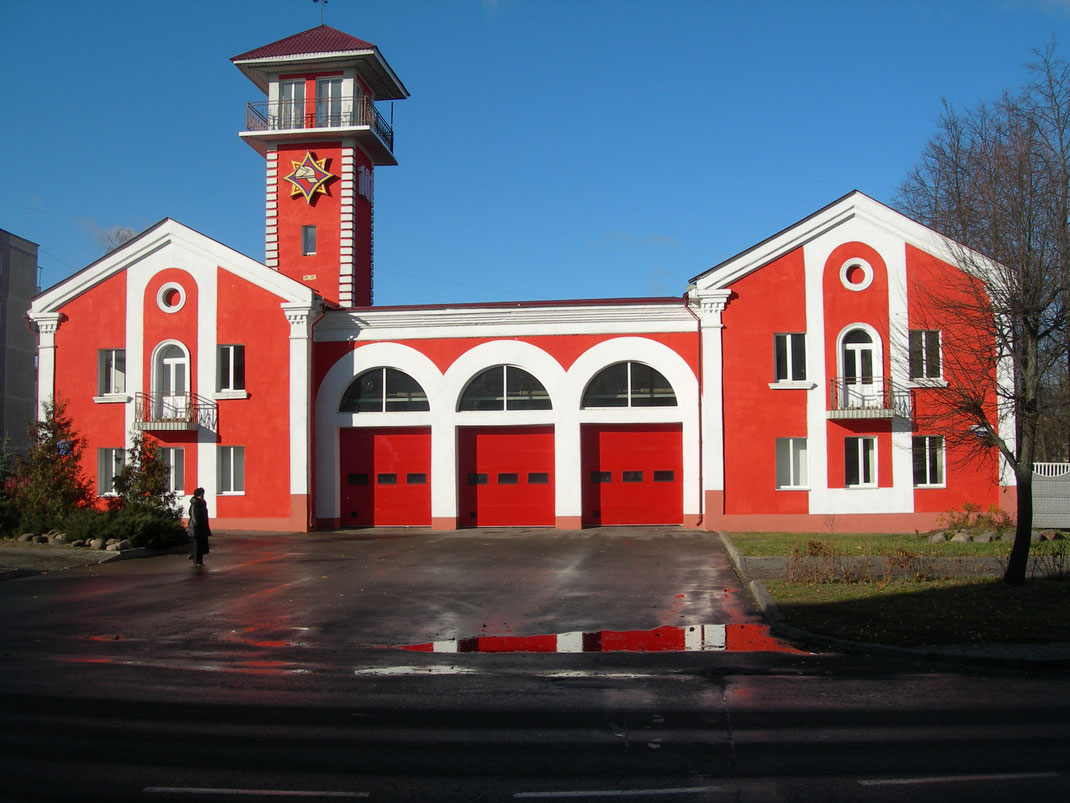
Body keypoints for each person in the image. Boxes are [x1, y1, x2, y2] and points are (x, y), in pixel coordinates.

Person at [188, 487, 211, 567]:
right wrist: (196, 525)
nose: (203, 495)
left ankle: (199, 560)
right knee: (197, 545)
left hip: (202, 527)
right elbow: (193, 516)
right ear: (200, 494)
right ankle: (196, 560)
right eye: (202, 493)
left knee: (202, 545)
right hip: (197, 528)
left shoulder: (202, 503)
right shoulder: (195, 503)